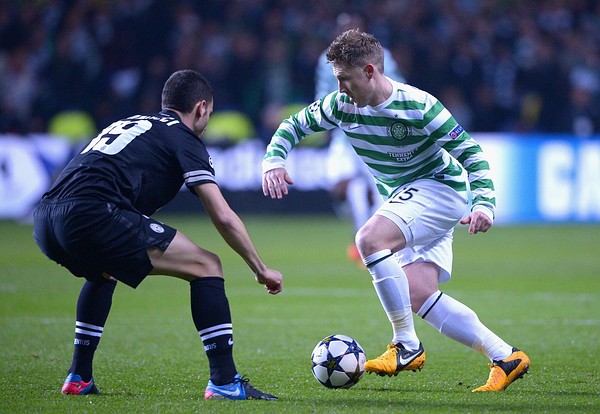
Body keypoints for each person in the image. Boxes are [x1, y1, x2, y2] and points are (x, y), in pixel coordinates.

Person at [262, 29, 530, 392]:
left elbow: (470, 152)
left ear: (370, 71)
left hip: (441, 188)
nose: (340, 89)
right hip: (406, 196)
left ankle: (406, 344)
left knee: (369, 240)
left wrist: (484, 202)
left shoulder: (418, 105)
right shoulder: (340, 105)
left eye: (345, 79)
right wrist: (273, 161)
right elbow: (293, 125)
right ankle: (506, 356)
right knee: (417, 294)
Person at [33, 69, 282, 401]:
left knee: (104, 272)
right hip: (91, 213)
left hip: (46, 217)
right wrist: (260, 268)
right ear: (201, 108)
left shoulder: (131, 123)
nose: (207, 121)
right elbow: (222, 215)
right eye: (209, 113)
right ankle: (224, 381)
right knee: (207, 264)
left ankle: (79, 377)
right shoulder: (183, 137)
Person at [315, 13, 405, 263]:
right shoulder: (326, 61)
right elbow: (322, 96)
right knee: (343, 185)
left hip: (376, 131)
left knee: (380, 187)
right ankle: (365, 237)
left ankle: (383, 241)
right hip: (345, 135)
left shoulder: (381, 54)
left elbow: (397, 88)